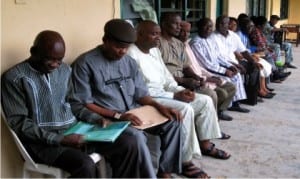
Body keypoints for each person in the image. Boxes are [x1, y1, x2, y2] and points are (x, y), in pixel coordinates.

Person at [1, 30, 162, 178]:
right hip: (43, 143)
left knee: (129, 143)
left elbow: (75, 104)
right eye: (50, 59)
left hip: (77, 131)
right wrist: (60, 140)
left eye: (59, 60)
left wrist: (96, 119)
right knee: (85, 164)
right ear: (33, 52)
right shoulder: (15, 78)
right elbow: (20, 123)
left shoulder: (64, 70)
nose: (55, 65)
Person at [71, 19, 183, 178]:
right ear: (105, 41)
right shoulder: (85, 63)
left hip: (134, 113)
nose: (122, 52)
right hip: (107, 119)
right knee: (134, 137)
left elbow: (141, 94)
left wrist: (159, 106)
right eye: (118, 47)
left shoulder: (129, 62)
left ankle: (165, 173)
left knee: (173, 121)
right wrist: (118, 116)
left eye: (126, 48)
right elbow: (84, 103)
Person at [156, 13, 231, 159]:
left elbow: (186, 66)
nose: (179, 28)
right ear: (164, 24)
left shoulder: (178, 44)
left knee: (208, 93)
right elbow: (160, 73)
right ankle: (204, 139)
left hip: (183, 80)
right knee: (210, 95)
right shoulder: (157, 43)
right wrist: (184, 81)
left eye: (180, 25)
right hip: (170, 83)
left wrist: (197, 77)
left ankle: (207, 137)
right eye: (175, 24)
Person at [178, 21, 236, 121]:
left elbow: (198, 66)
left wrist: (212, 76)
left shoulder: (187, 45)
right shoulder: (190, 44)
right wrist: (208, 78)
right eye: (182, 31)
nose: (185, 34)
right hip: (196, 81)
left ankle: (218, 112)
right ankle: (212, 120)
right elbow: (188, 70)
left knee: (231, 86)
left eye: (188, 32)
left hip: (203, 75)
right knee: (221, 93)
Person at [189, 17, 249, 113]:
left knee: (236, 74)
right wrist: (225, 71)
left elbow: (218, 56)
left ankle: (234, 103)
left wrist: (230, 66)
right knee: (229, 79)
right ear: (199, 27)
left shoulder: (209, 40)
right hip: (206, 71)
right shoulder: (196, 43)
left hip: (215, 67)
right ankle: (222, 109)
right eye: (206, 26)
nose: (209, 29)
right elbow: (206, 64)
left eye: (210, 26)